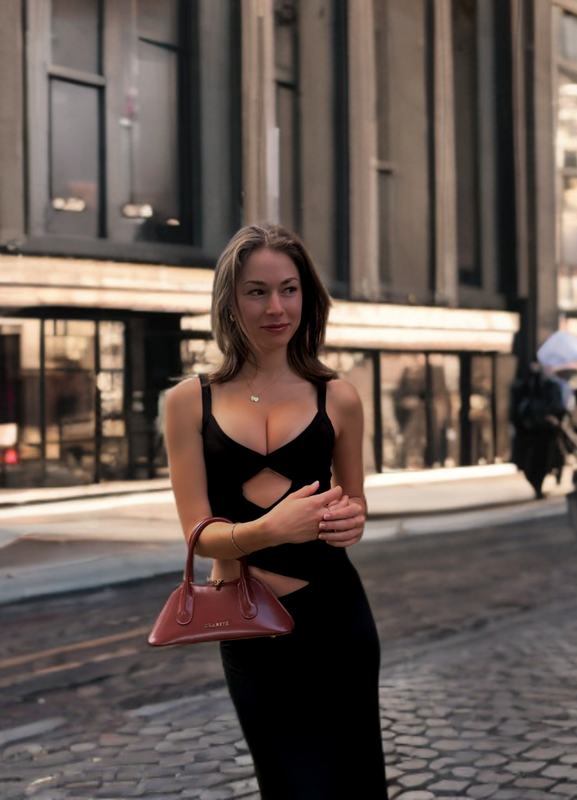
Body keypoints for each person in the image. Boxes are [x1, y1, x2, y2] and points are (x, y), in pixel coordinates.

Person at [164, 224, 388, 799]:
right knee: (287, 784)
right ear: (230, 301)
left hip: (337, 616)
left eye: (289, 289)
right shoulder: (190, 401)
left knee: (354, 782)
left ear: (307, 295)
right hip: (248, 623)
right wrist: (267, 530)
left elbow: (354, 499)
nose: (276, 307)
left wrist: (353, 519)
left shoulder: (338, 395)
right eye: (257, 291)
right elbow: (197, 534)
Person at [511, 362, 567, 499]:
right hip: (532, 433)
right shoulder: (524, 389)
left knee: (544, 460)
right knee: (534, 462)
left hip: (542, 433)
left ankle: (540, 484)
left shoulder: (549, 387)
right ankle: (538, 485)